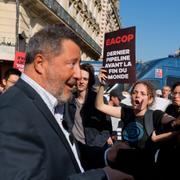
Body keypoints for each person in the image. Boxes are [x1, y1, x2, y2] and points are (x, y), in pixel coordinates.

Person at [0, 24, 134, 180]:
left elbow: (65, 151)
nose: (78, 75)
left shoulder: (50, 103)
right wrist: (104, 176)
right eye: (72, 64)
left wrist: (107, 154)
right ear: (40, 64)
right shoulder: (11, 112)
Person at [95, 68, 179, 180]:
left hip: (140, 173)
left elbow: (175, 124)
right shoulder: (126, 112)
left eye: (142, 93)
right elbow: (99, 106)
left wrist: (159, 138)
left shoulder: (155, 115)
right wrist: (102, 84)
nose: (137, 95)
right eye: (134, 92)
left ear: (149, 99)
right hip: (119, 166)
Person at [64, 63, 113, 148]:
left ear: (89, 81)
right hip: (74, 147)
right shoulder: (68, 99)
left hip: (93, 148)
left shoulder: (99, 100)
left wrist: (97, 144)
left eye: (85, 79)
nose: (81, 81)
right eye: (79, 78)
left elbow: (107, 128)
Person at [152, 82, 180, 180]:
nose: (176, 96)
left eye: (179, 94)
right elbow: (162, 128)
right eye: (174, 93)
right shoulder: (170, 108)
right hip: (165, 153)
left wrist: (157, 138)